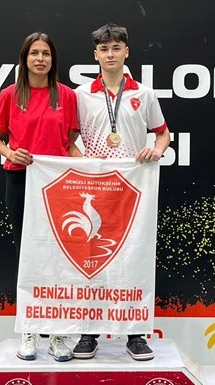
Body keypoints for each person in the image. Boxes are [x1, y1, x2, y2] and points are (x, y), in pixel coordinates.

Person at [73, 23, 170, 361]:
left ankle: (135, 334)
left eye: (116, 48)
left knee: (132, 259)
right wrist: (85, 162)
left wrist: (156, 150)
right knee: (92, 260)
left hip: (132, 190)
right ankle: (88, 333)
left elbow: (163, 134)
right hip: (95, 190)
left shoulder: (145, 94)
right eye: (104, 49)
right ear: (95, 55)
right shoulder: (81, 95)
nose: (110, 54)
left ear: (127, 52)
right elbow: (68, 140)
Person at [0, 32, 81, 362]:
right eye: (34, 53)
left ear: (53, 60)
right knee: (26, 255)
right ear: (25, 58)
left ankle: (57, 334)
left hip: (57, 185)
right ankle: (28, 331)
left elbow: (70, 142)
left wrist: (94, 167)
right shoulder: (10, 95)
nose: (40, 58)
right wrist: (10, 153)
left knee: (58, 258)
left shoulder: (66, 96)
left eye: (46, 53)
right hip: (20, 181)